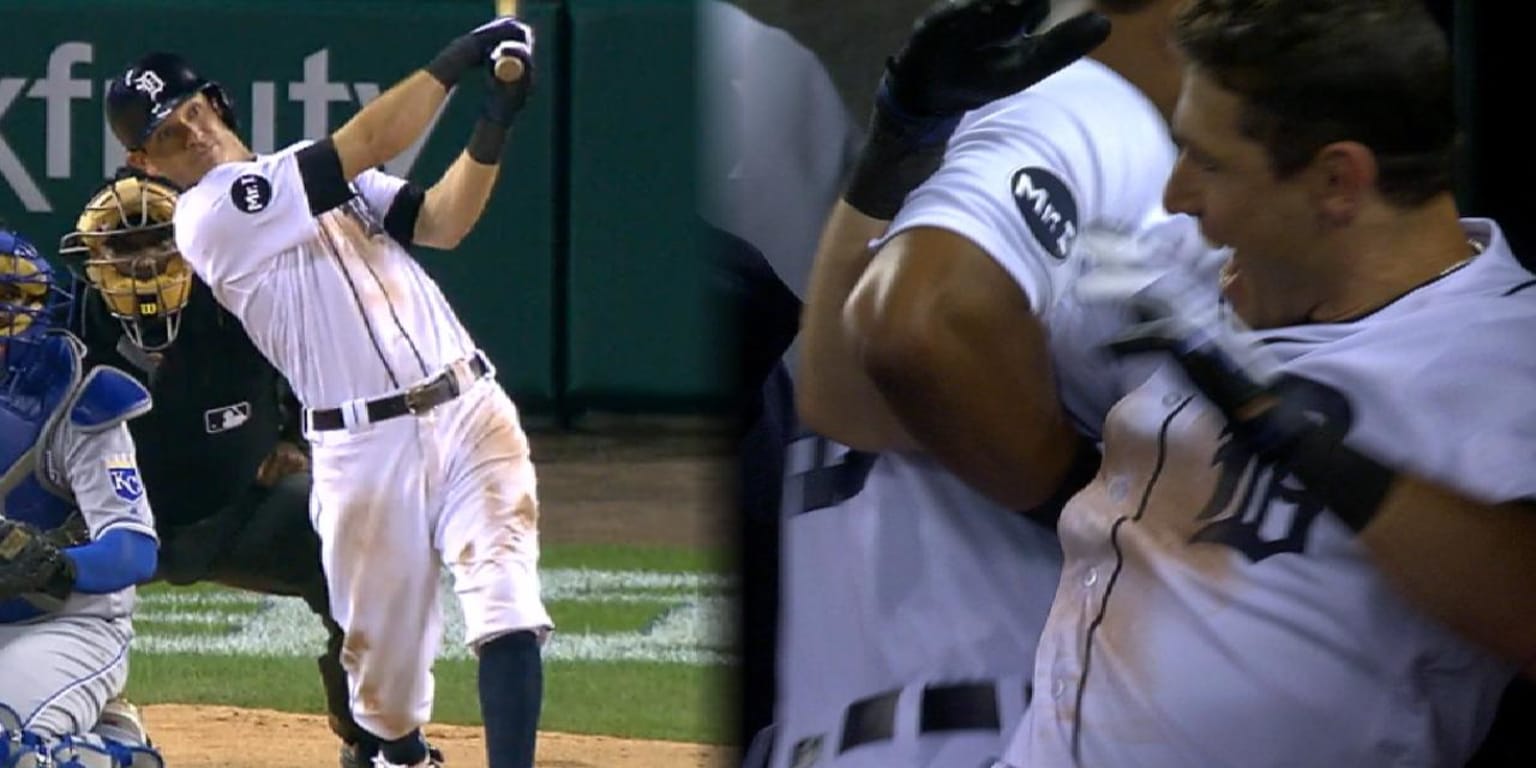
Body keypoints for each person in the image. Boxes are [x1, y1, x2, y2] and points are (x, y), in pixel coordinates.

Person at [990, 0, 1536, 765]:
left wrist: (1273, 415)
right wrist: (905, 146)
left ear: (1338, 181)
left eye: (1208, 161)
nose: (1177, 194)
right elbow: (936, 348)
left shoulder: (1508, 350)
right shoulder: (1190, 273)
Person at [103, 16, 550, 768]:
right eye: (172, 133)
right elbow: (368, 143)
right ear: (145, 160)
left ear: (218, 103)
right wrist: (458, 59)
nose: (195, 132)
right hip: (361, 447)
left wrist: (494, 122)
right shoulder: (210, 216)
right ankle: (393, 753)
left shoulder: (317, 178)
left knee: (506, 602)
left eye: (196, 112)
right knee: (387, 686)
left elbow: (442, 221)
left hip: (471, 406)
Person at [773, 0, 1189, 765]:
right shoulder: (1091, 111)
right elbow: (918, 330)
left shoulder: (964, 146)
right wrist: (1111, 524)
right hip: (990, 725)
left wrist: (899, 141)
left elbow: (839, 394)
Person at [57, 168, 435, 768]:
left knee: (359, 543)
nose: (147, 262)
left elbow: (330, 365)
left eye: (162, 240)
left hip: (238, 510)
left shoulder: (245, 297)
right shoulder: (62, 326)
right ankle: (40, 724)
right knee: (19, 564)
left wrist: (296, 437)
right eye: (126, 246)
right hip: (103, 527)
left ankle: (378, 738)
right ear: (93, 257)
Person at [0, 229, 162, 768]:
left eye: (19, 302)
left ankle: (112, 755)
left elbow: (134, 549)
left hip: (64, 624)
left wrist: (52, 566)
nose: (8, 316)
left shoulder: (79, 402)